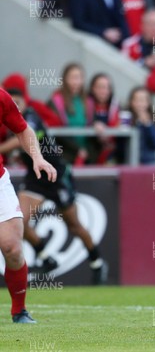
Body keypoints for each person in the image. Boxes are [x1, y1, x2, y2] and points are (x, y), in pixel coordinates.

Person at [1, 88, 109, 285]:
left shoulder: (30, 117)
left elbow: (19, 141)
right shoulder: (8, 117)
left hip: (54, 174)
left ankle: (97, 261)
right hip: (35, 176)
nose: (16, 105)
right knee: (20, 222)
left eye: (19, 102)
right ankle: (45, 256)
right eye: (13, 102)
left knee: (74, 225)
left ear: (25, 102)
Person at [0, 88, 57, 323]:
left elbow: (22, 128)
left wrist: (37, 156)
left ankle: (19, 310)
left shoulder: (1, 97)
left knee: (12, 247)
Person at [48, 63, 91, 165]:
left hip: (86, 154)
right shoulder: (55, 101)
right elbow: (57, 130)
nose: (76, 82)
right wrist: (77, 149)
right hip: (65, 154)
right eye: (72, 77)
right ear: (64, 79)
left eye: (79, 77)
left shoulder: (89, 101)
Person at [87, 73, 121, 164]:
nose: (104, 91)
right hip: (90, 155)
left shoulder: (117, 107)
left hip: (113, 155)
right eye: (100, 87)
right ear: (92, 88)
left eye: (107, 87)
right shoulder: (85, 105)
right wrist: (93, 125)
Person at [127, 86, 155, 164]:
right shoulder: (126, 117)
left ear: (148, 102)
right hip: (128, 161)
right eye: (136, 100)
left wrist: (148, 125)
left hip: (148, 162)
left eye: (143, 100)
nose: (139, 104)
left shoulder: (154, 118)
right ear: (131, 102)